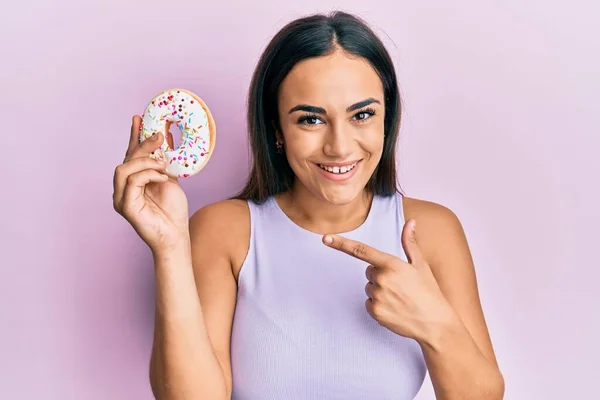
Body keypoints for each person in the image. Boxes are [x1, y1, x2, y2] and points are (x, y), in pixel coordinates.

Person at [112, 11, 505, 400]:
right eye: (310, 120)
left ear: (388, 118)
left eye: (362, 115)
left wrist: (433, 322)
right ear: (277, 130)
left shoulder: (430, 230)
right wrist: (169, 248)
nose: (339, 146)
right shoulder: (224, 231)